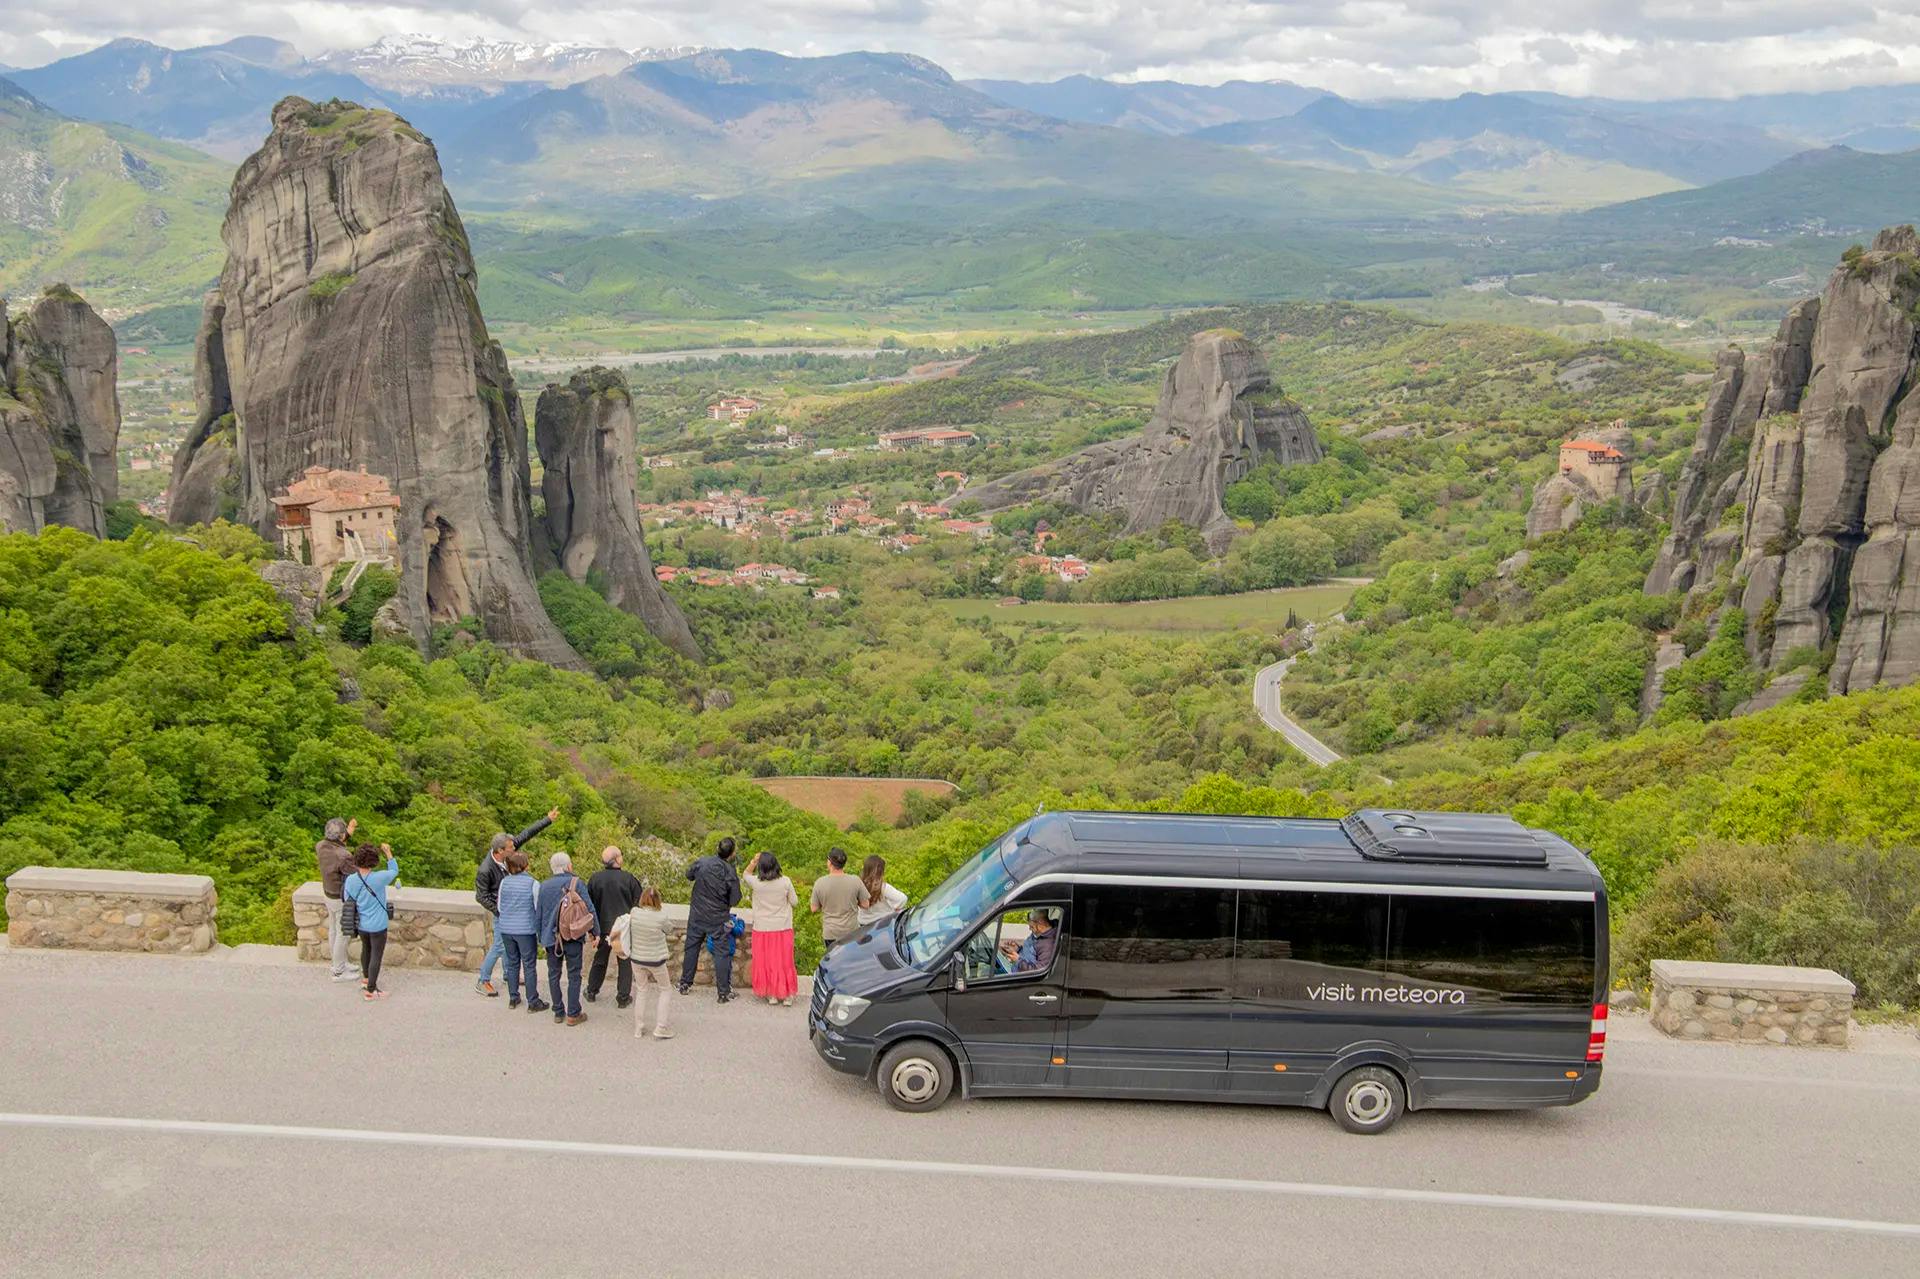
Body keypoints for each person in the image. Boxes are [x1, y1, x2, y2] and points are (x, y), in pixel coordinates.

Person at [474, 808, 560, 997]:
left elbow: (526, 834)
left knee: (506, 946)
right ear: (500, 851)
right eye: (511, 848)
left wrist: (547, 819)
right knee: (499, 946)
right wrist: (500, 910)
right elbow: (481, 896)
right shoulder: (485, 869)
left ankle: (508, 975)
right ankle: (483, 979)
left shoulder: (508, 853)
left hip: (510, 911)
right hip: (503, 912)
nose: (515, 848)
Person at [537, 851, 597, 1026]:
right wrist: (596, 932)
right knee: (574, 974)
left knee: (553, 974)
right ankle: (573, 1013)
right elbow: (589, 910)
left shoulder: (544, 886)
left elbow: (538, 915)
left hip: (551, 937)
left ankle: (558, 1011)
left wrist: (541, 937)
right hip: (572, 935)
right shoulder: (576, 883)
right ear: (568, 866)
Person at [680, 836, 742, 1001]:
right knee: (721, 954)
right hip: (718, 918)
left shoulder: (702, 862)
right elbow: (735, 898)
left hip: (697, 914)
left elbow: (688, 874)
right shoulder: (729, 871)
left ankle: (685, 984)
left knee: (691, 948)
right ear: (732, 854)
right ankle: (723, 992)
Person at [611, 886, 675, 1039]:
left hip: (637, 959)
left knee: (641, 990)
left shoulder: (634, 913)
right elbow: (669, 929)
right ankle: (661, 1027)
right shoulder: (661, 916)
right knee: (665, 989)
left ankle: (638, 1027)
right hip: (656, 960)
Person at [585, 846, 642, 1008]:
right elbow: (638, 904)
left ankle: (591, 991)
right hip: (622, 927)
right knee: (624, 962)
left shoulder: (595, 879)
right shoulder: (629, 879)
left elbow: (590, 905)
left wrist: (592, 930)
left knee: (600, 959)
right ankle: (623, 997)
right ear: (617, 859)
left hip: (602, 927)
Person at [740, 851, 799, 1005]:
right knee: (784, 961)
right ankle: (787, 995)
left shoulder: (756, 883)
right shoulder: (785, 881)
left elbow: (745, 874)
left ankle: (771, 994)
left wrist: (753, 861)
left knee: (767, 961)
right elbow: (794, 902)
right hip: (782, 927)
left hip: (763, 928)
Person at [342, 842, 399, 1001]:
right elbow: (394, 871)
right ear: (373, 861)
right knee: (376, 956)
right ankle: (371, 991)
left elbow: (347, 900)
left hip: (361, 924)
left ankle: (366, 979)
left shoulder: (351, 880)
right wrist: (388, 852)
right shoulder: (379, 878)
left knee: (365, 950)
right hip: (378, 925)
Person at [495, 849, 545, 1013]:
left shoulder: (504, 882)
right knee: (529, 964)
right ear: (525, 865)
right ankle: (533, 1000)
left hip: (506, 928)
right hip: (525, 929)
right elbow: (538, 908)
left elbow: (499, 906)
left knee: (512, 962)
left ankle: (513, 996)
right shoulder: (532, 883)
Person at [315, 817, 360, 983]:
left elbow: (338, 840)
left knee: (333, 929)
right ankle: (339, 972)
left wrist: (350, 829)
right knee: (343, 934)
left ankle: (339, 963)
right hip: (340, 898)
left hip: (328, 894)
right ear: (341, 836)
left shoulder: (320, 846)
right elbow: (356, 873)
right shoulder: (343, 855)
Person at [809, 846, 871, 955]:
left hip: (831, 932)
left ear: (830, 862)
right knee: (851, 961)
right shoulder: (855, 880)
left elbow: (814, 908)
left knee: (834, 963)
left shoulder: (820, 882)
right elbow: (866, 905)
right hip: (851, 931)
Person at [998, 908, 1059, 974]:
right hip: (1014, 969)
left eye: (1031, 926)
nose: (1030, 929)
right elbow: (1030, 953)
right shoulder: (1038, 933)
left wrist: (1018, 960)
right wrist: (1017, 949)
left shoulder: (1048, 946)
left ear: (1040, 924)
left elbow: (1038, 972)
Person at [855, 854, 908, 929]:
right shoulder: (883, 887)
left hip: (864, 924)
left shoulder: (857, 884)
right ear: (882, 872)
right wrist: (894, 908)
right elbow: (902, 899)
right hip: (883, 923)